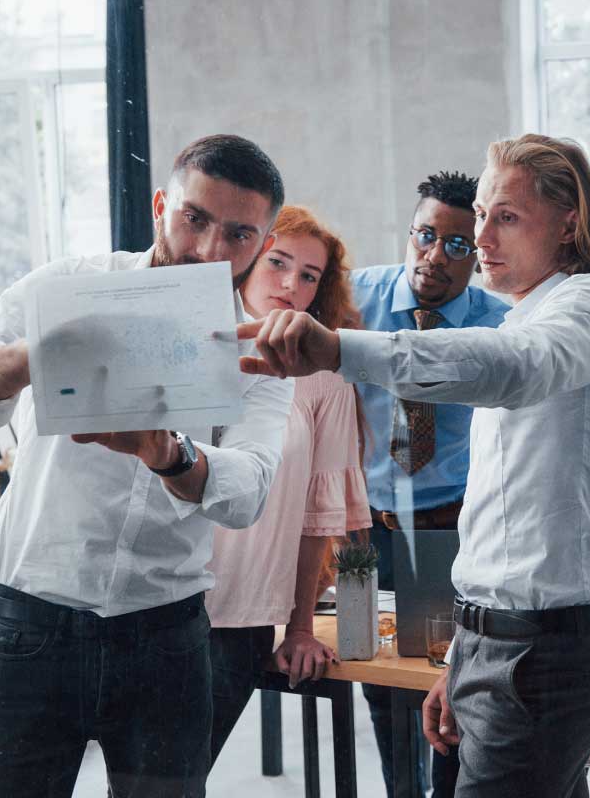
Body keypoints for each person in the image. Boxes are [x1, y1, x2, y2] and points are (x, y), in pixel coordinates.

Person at [236, 133, 590, 798]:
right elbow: (504, 516)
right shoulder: (526, 315)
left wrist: (337, 348)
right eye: (482, 214)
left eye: (505, 217)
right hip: (490, 639)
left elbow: (516, 372)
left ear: (569, 220)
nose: (482, 236)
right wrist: (464, 656)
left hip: (539, 654)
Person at [0, 134, 292, 798]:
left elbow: (247, 493)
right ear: (161, 204)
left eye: (237, 234)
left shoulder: (254, 354)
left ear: (263, 241)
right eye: (195, 219)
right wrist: (38, 354)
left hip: (166, 638)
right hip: (29, 624)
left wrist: (170, 455)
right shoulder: (72, 285)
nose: (208, 249)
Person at [347, 170, 507, 796]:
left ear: (479, 252)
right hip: (368, 530)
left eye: (457, 245)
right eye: (425, 236)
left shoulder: (501, 325)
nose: (434, 257)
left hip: (452, 531)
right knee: (379, 686)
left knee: (453, 690)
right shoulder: (352, 299)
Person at [203, 205, 371, 762]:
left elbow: (319, 516)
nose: (289, 284)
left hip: (242, 613)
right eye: (277, 262)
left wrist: (300, 628)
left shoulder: (324, 378)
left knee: (178, 776)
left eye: (309, 276)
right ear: (248, 259)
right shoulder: (189, 343)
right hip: (152, 603)